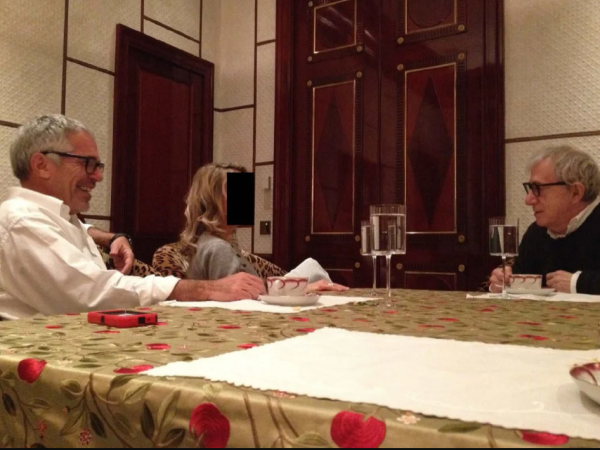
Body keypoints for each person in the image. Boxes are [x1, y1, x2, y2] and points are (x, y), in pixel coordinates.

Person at [0, 115, 265, 319]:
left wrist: (111, 237)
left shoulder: (58, 218)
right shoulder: (20, 221)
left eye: (99, 166)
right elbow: (91, 293)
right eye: (87, 163)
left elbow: (73, 229)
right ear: (41, 165)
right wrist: (205, 289)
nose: (98, 176)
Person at [179, 163, 348, 293]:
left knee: (311, 268)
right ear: (211, 201)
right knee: (313, 274)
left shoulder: (216, 242)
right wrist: (305, 288)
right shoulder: (217, 248)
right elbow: (241, 300)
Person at [489, 146, 600, 294]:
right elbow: (520, 279)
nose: (528, 200)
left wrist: (578, 284)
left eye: (537, 188)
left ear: (575, 192)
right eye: (530, 188)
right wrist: (503, 281)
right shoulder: (537, 232)